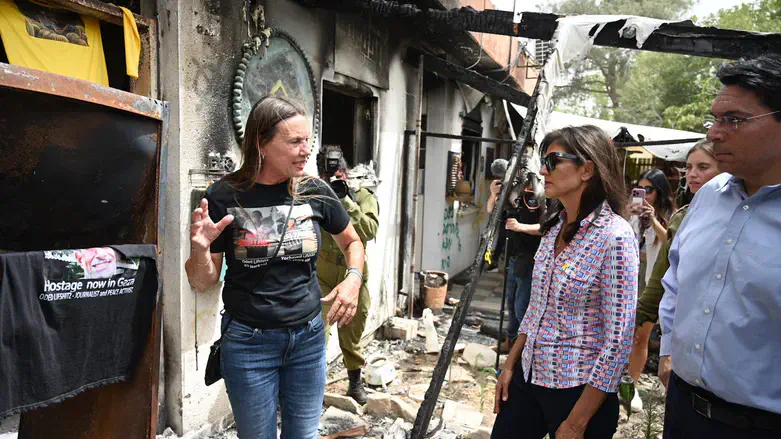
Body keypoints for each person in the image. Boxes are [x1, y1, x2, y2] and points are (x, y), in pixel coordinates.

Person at [185, 96, 365, 439]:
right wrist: (200, 249)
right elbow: (202, 280)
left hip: (309, 339)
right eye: (294, 141)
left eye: (307, 140)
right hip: (249, 343)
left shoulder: (316, 192)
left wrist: (352, 279)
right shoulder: (224, 196)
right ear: (261, 144)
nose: (306, 150)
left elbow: (352, 243)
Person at [659, 54, 781, 439]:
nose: (714, 133)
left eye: (735, 120)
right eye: (715, 119)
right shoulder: (710, 193)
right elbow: (676, 277)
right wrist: (667, 349)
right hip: (682, 408)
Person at [491, 125, 639, 439]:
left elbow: (618, 342)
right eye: (544, 160)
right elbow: (535, 309)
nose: (543, 170)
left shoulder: (615, 236)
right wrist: (510, 365)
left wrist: (576, 422)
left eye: (553, 160)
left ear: (587, 169)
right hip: (528, 376)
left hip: (577, 391)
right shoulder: (555, 225)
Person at [625, 141, 719, 412]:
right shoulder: (684, 216)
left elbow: (669, 245)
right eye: (688, 167)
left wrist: (654, 220)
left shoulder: (671, 214)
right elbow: (666, 261)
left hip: (687, 309)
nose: (692, 174)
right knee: (639, 336)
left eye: (702, 167)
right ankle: (630, 386)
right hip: (648, 282)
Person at [316, 146, 379, 405]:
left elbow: (369, 229)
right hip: (322, 271)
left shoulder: (362, 195)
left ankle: (355, 382)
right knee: (317, 331)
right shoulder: (313, 193)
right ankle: (312, 389)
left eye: (338, 172)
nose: (332, 177)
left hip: (354, 271)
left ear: (345, 171)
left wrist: (344, 200)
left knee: (354, 328)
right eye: (326, 174)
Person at [486, 176, 542, 354]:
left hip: (530, 258)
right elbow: (492, 212)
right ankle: (510, 342)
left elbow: (547, 227)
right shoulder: (512, 193)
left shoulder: (540, 193)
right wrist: (493, 195)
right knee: (510, 303)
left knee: (521, 307)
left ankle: (522, 350)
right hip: (513, 257)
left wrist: (520, 227)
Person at [631, 168, 675, 291]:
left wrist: (653, 220)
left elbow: (670, 242)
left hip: (659, 278)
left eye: (648, 190)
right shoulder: (636, 214)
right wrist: (625, 214)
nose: (644, 194)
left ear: (660, 191)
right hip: (637, 273)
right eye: (640, 189)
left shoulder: (672, 215)